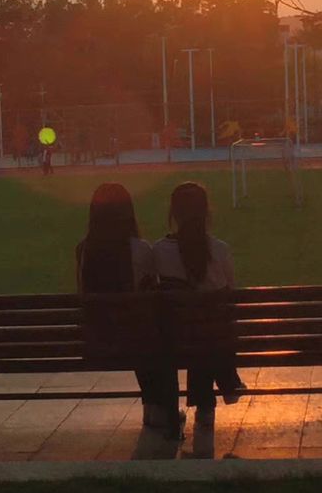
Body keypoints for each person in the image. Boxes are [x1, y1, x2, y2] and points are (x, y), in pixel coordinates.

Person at [152, 181, 246, 428]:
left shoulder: (159, 251)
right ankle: (227, 380)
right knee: (210, 331)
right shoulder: (220, 250)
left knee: (194, 333)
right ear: (206, 212)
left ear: (173, 213)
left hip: (177, 341)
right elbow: (230, 296)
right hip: (215, 341)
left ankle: (211, 401)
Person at [76, 183, 169, 430]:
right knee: (151, 330)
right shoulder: (139, 249)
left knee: (136, 326)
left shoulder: (84, 250)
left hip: (97, 340)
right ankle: (156, 408)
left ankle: (152, 407)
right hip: (134, 339)